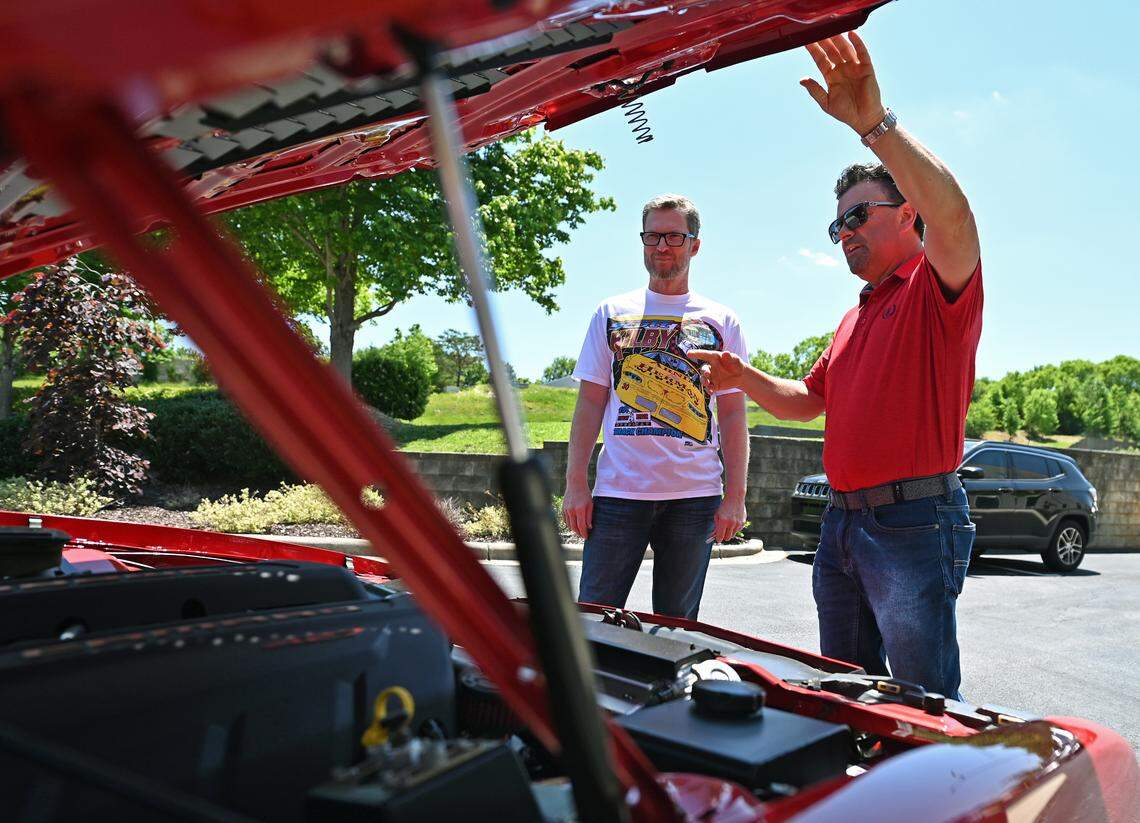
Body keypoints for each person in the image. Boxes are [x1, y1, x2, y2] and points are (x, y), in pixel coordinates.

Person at [690, 32, 982, 700]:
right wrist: (746, 377)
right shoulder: (854, 316)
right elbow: (806, 399)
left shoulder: (935, 290)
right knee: (846, 697)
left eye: (859, 216)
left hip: (913, 521)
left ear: (908, 213)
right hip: (842, 524)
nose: (845, 231)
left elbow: (957, 214)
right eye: (836, 226)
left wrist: (873, 128)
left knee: (921, 705)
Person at [562, 194, 749, 619]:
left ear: (695, 245)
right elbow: (590, 401)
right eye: (652, 236)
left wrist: (735, 496)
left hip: (695, 497)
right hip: (618, 495)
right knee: (593, 618)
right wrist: (576, 483)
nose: (661, 246)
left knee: (677, 628)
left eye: (674, 236)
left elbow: (733, 412)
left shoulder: (722, 321)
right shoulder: (610, 313)